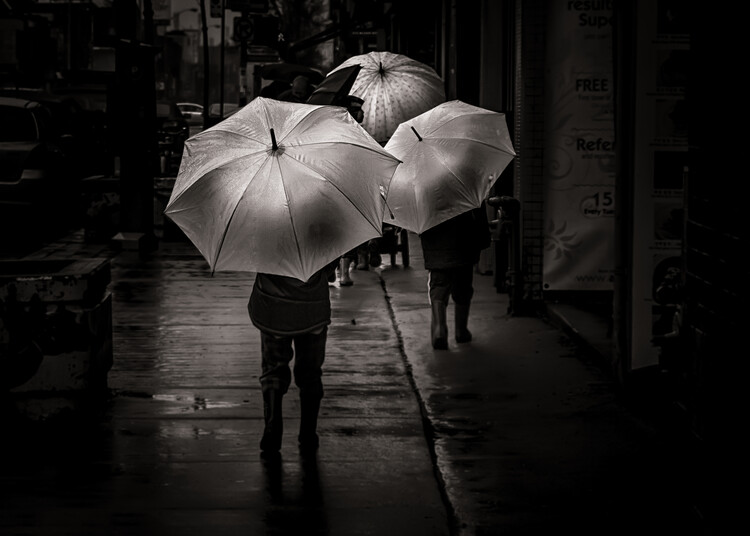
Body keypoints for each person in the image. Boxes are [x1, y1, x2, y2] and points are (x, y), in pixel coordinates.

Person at [248, 259, 338, 456]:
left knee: (273, 370)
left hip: (273, 303)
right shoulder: (322, 228)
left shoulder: (262, 228)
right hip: (312, 305)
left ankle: (272, 430)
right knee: (311, 373)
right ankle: (308, 434)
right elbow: (331, 265)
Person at [419, 203, 491, 349]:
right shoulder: (466, 185)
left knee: (438, 288)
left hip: (435, 247)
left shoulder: (423, 188)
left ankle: (439, 329)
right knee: (463, 288)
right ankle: (461, 330)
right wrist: (484, 239)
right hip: (463, 245)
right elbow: (479, 215)